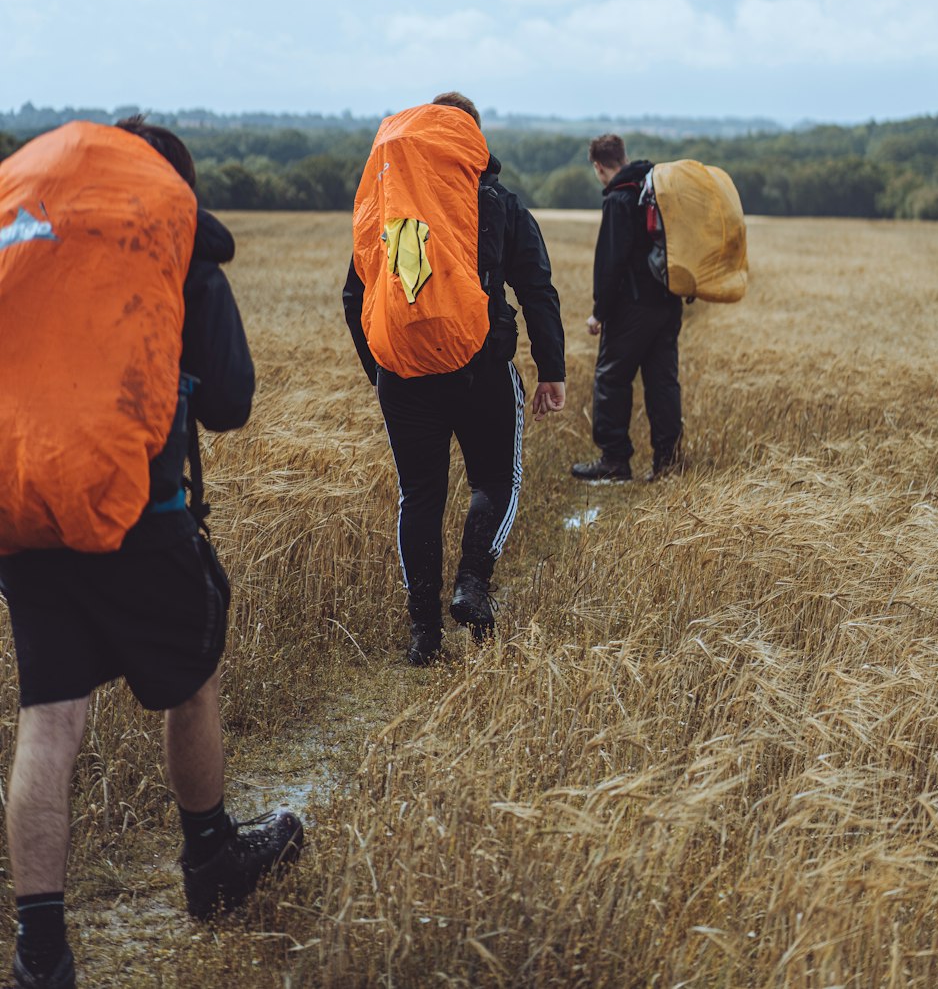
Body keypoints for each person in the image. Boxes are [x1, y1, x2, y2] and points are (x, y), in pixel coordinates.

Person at [0, 118, 303, 989]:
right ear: (176, 186)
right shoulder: (170, 236)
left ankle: (40, 952)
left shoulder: (31, 226)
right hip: (138, 511)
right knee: (191, 676)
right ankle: (211, 860)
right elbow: (233, 403)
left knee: (49, 720)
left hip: (25, 511)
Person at [343, 92, 566, 666]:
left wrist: (383, 372)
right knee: (496, 480)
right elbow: (537, 289)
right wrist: (552, 370)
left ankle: (424, 636)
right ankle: (471, 584)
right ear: (472, 139)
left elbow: (355, 295)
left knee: (419, 496)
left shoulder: (390, 208)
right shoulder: (498, 202)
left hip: (403, 378)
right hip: (482, 369)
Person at [571, 133, 683, 485]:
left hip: (632, 308)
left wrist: (599, 312)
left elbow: (611, 262)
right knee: (662, 382)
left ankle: (614, 460)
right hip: (668, 302)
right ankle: (668, 463)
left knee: (611, 378)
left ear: (598, 166)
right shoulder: (654, 191)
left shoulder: (619, 199)